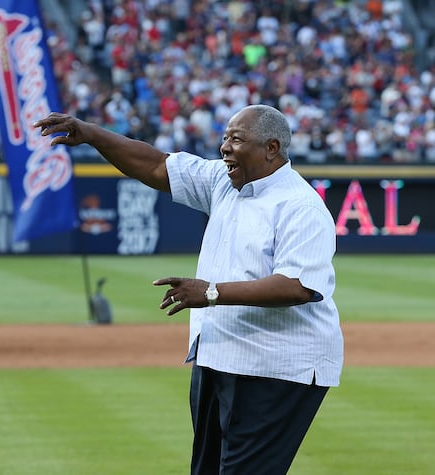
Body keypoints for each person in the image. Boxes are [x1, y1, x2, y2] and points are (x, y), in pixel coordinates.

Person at [33, 104, 344, 475]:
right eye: (225, 137)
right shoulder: (224, 183)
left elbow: (297, 286)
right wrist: (93, 135)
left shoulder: (301, 206)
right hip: (220, 357)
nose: (224, 147)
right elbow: (154, 166)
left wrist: (211, 292)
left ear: (272, 148)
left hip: (276, 366)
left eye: (236, 139)